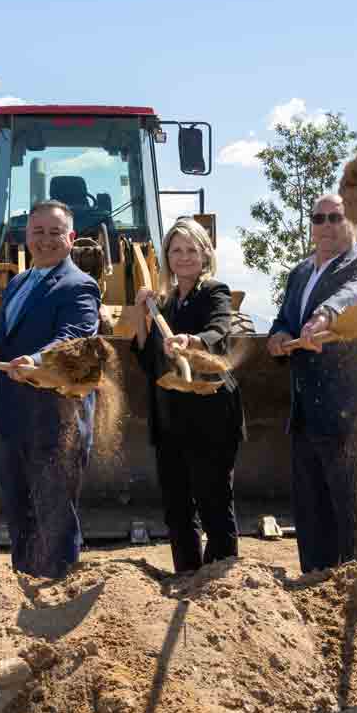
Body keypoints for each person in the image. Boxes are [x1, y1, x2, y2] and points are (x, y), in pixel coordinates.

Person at [266, 193, 357, 573]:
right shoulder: (300, 273)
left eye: (335, 218)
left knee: (355, 520)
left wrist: (326, 314)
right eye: (318, 218)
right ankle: (315, 596)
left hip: (354, 414)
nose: (326, 226)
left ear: (352, 222)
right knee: (312, 519)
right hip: (307, 413)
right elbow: (286, 319)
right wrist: (278, 336)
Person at [0, 199, 100, 578]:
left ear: (71, 238)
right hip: (14, 420)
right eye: (38, 232)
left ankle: (57, 595)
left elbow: (73, 339)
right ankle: (24, 586)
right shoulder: (18, 283)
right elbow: (5, 332)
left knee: (55, 516)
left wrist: (37, 362)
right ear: (26, 236)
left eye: (54, 232)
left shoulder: (80, 286)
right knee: (20, 514)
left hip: (57, 423)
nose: (45, 240)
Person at [132, 218, 244, 573]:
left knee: (213, 502)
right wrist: (140, 311)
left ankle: (221, 584)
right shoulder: (162, 302)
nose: (183, 257)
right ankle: (187, 575)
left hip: (211, 414)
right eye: (176, 250)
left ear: (204, 254)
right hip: (170, 418)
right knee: (177, 507)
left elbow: (218, 331)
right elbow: (146, 357)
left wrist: (189, 341)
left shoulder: (215, 292)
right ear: (166, 257)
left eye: (190, 250)